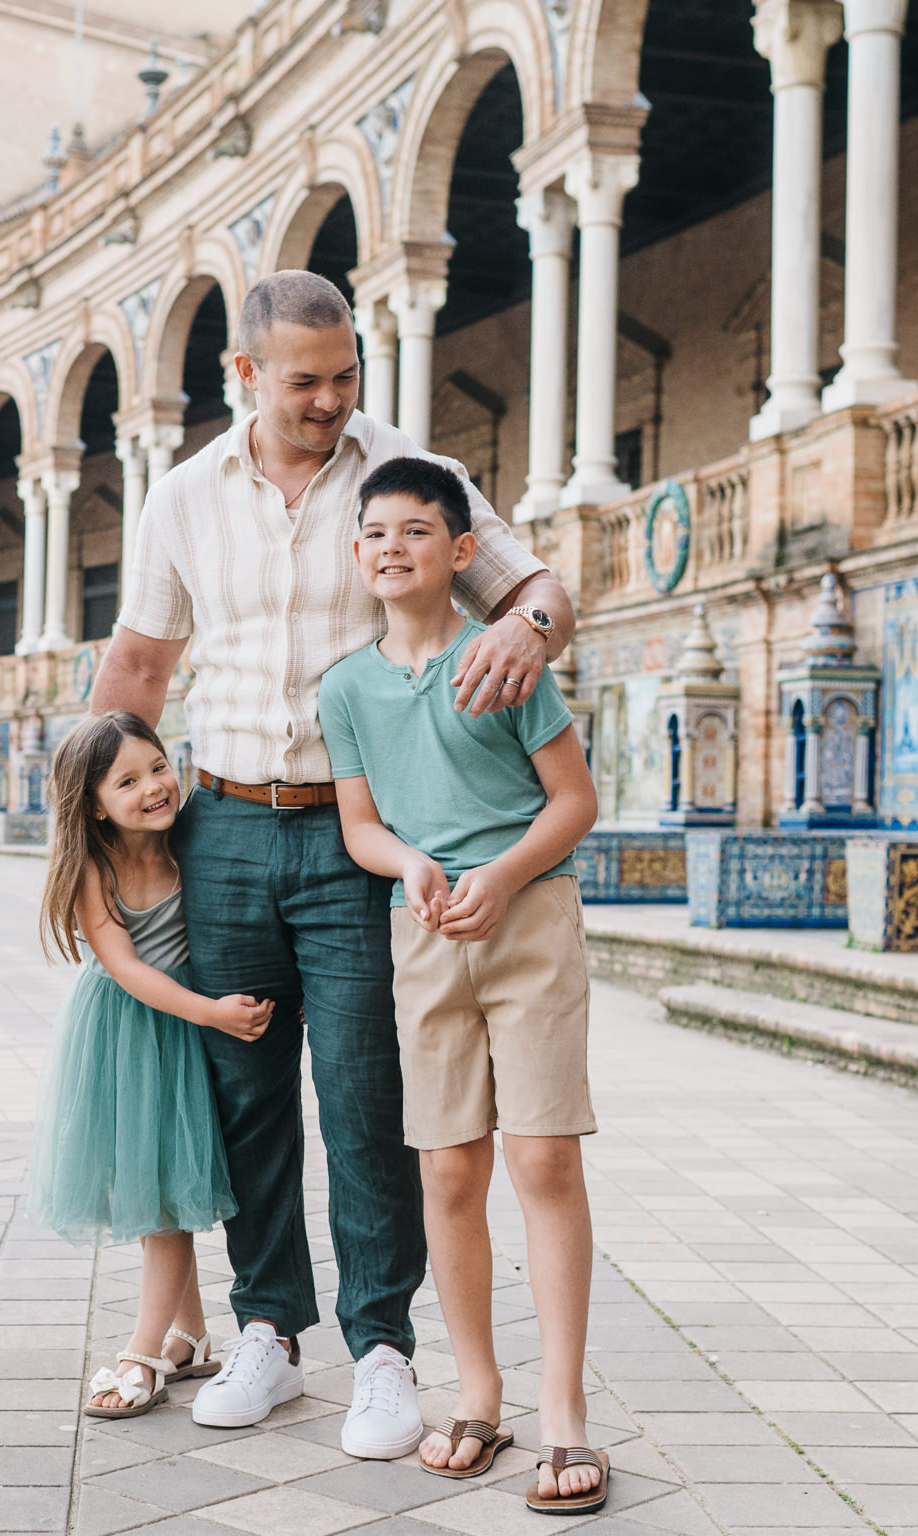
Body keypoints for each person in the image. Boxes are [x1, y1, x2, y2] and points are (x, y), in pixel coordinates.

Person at [90, 268, 579, 1458]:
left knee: (369, 1096)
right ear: (244, 377)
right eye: (303, 381)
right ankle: (267, 1326)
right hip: (225, 824)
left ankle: (381, 1347)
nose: (328, 399)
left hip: (364, 833)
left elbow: (535, 586)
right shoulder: (181, 498)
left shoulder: (400, 467)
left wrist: (526, 624)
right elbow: (141, 673)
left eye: (344, 373)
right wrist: (91, 838)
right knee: (244, 1091)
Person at [319, 458, 604, 1514]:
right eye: (375, 533)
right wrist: (412, 867)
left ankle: (564, 1410)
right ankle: (475, 1391)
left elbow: (573, 802)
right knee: (445, 1172)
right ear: (358, 557)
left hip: (527, 920)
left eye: (416, 530)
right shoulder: (344, 687)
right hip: (424, 930)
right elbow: (359, 825)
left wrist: (501, 875)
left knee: (541, 1159)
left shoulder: (508, 661)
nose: (392, 547)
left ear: (459, 550)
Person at [27, 713, 273, 1420]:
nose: (153, 788)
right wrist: (211, 1013)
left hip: (184, 1030)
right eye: (126, 781)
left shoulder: (190, 840)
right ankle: (149, 1345)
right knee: (160, 1201)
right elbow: (127, 968)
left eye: (158, 767)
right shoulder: (94, 869)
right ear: (93, 801)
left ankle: (187, 1335)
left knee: (169, 1189)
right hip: (132, 1034)